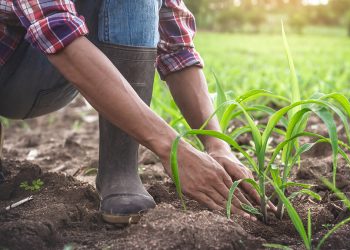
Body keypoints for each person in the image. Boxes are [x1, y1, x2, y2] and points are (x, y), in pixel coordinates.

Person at [0, 0, 271, 224]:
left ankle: (120, 171)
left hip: (54, 70)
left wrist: (217, 145)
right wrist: (174, 149)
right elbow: (55, 28)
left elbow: (178, 48)